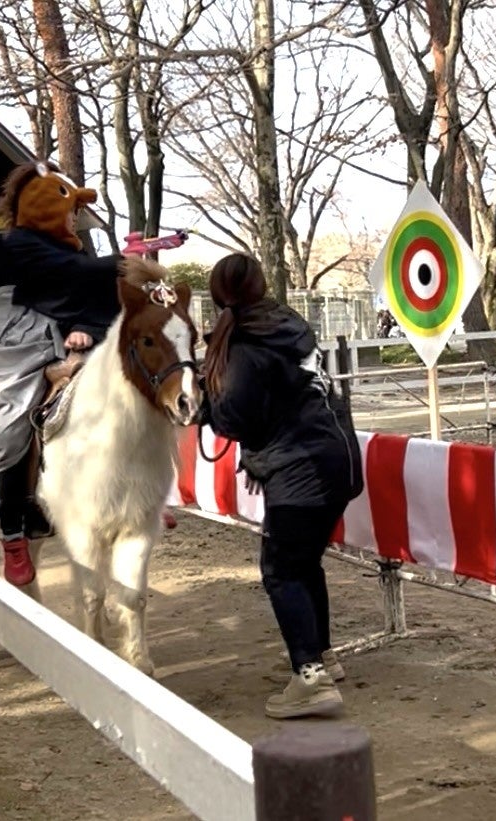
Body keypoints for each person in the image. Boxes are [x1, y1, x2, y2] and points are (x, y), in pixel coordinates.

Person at [200, 253, 363, 719]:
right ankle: (321, 655)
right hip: (339, 456)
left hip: (298, 468)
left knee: (281, 570)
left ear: (217, 294)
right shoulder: (287, 324)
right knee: (304, 562)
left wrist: (206, 407)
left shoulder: (244, 343)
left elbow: (234, 415)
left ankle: (310, 677)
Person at [0, 161, 123, 587]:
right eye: (70, 210)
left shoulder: (73, 250)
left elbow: (89, 292)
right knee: (10, 423)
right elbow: (74, 279)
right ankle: (13, 532)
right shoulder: (19, 244)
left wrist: (85, 327)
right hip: (18, 336)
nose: (75, 218)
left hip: (63, 330)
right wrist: (120, 262)